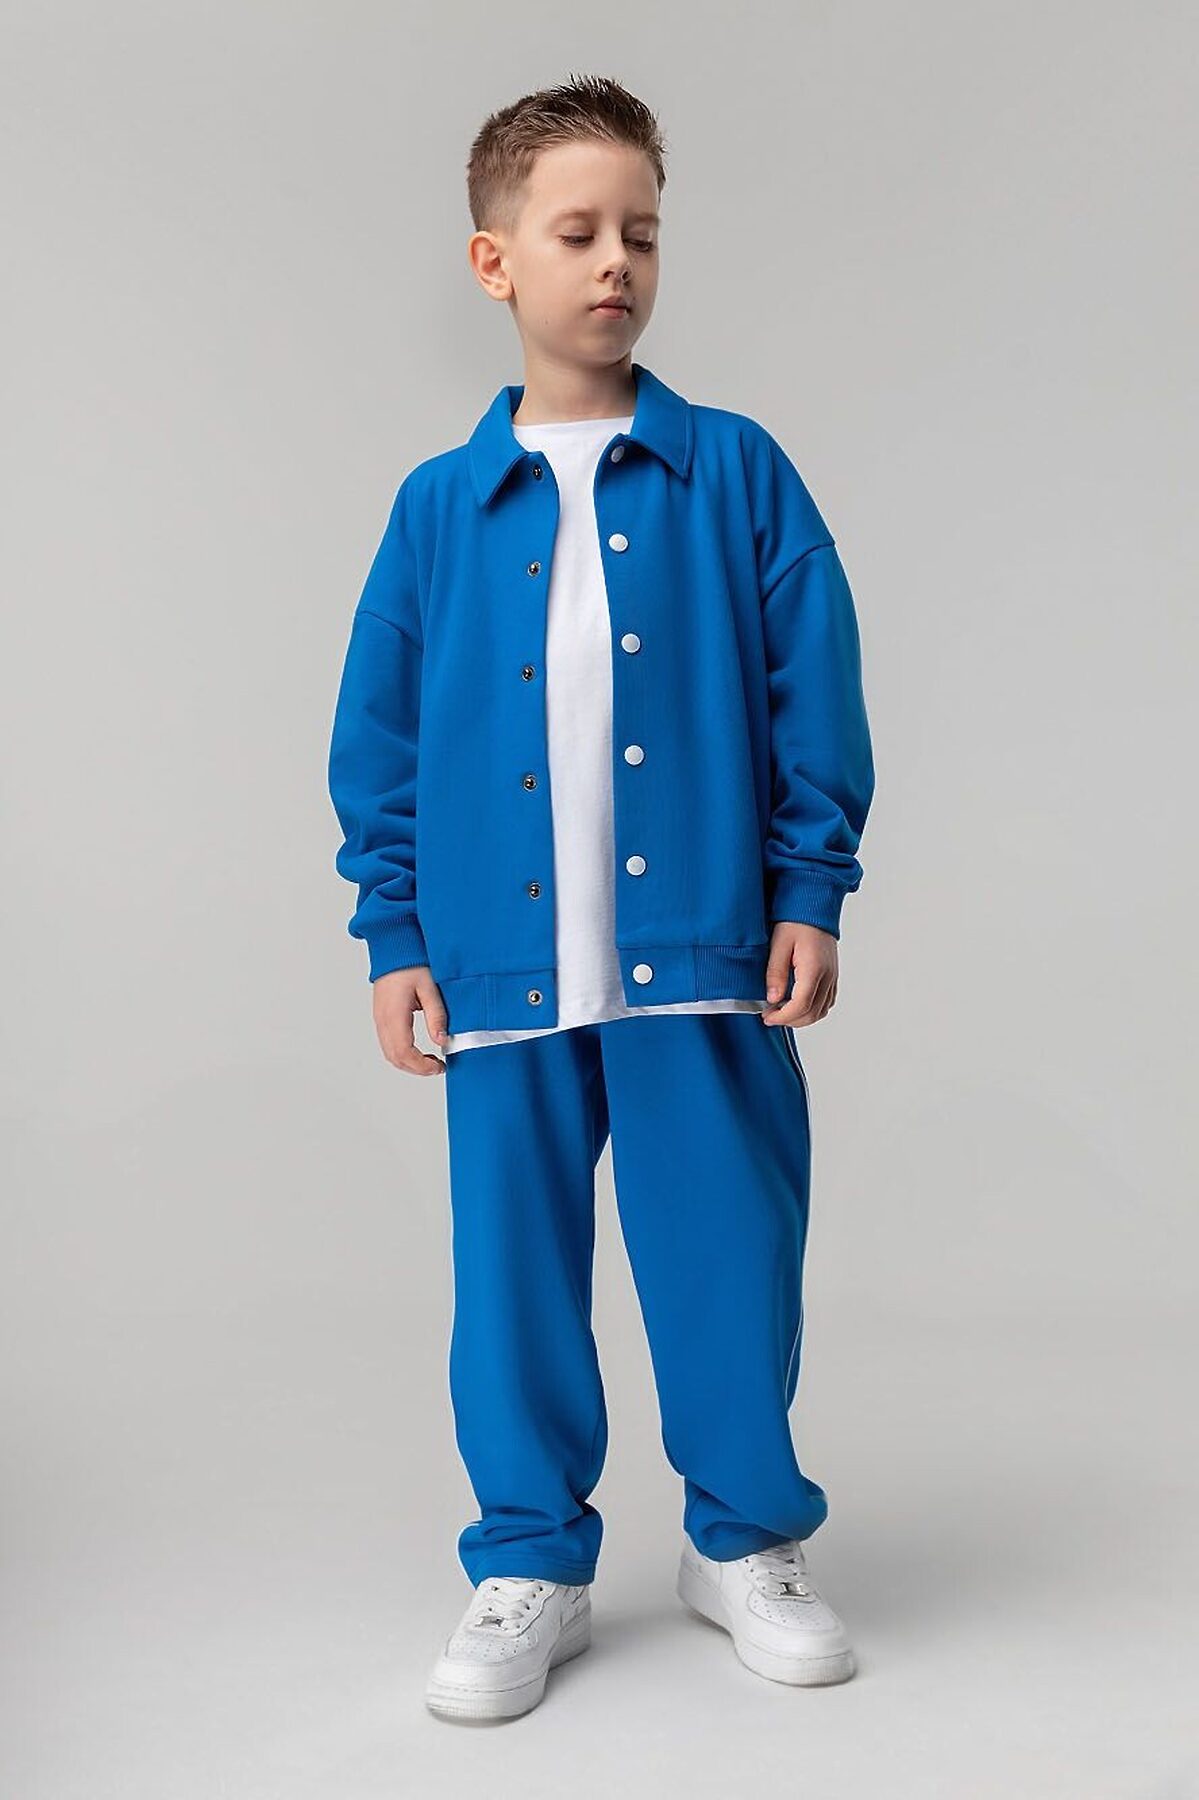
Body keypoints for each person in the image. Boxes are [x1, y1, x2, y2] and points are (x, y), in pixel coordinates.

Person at [327, 73, 875, 1723]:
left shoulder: (736, 474)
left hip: (704, 955)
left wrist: (810, 888)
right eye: (577, 232)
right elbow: (381, 734)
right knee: (511, 1280)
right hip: (499, 966)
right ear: (496, 261)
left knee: (728, 1253)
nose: (616, 262)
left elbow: (813, 690)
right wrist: (395, 933)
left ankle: (746, 1541)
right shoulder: (438, 508)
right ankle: (529, 1563)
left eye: (641, 231)